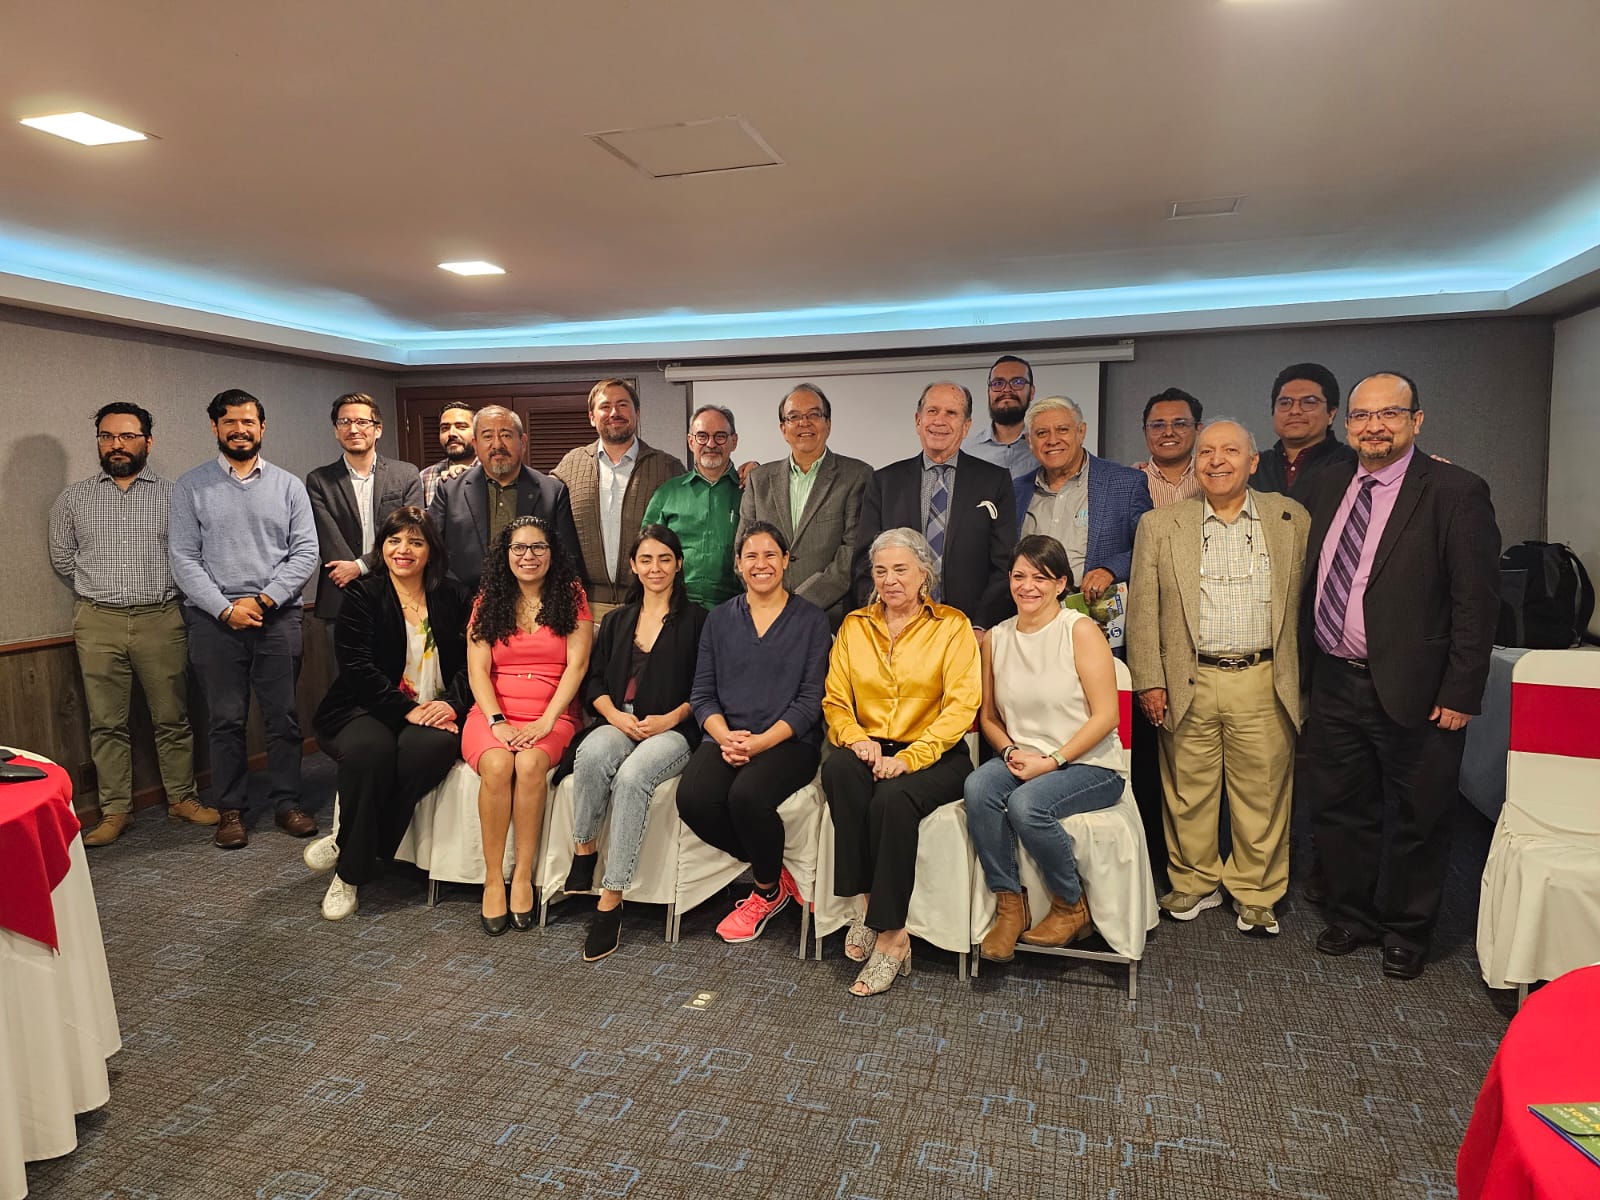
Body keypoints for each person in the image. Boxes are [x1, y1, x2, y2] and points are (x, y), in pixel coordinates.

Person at [1299, 372, 1499, 979]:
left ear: (1417, 420)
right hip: (1334, 679)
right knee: (1339, 807)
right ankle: (1351, 915)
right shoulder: (1325, 484)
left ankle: (1408, 930)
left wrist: (1462, 690)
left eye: (1389, 414)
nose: (1373, 426)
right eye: (1361, 416)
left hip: (1419, 686)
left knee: (1420, 814)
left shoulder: (1454, 490)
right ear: (1347, 424)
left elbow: (1477, 600)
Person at [1126, 420, 1310, 937]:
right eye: (1206, 451)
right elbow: (1142, 610)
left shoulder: (1290, 518)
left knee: (1264, 790)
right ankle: (1194, 879)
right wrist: (1149, 680)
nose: (1216, 460)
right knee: (1187, 788)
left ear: (1253, 462)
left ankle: (1256, 891)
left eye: (1231, 450)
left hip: (1264, 676)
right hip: (1190, 677)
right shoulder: (1161, 525)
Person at [823, 527, 981, 995]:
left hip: (936, 754)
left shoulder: (951, 625)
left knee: (890, 799)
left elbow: (961, 707)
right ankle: (873, 910)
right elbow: (835, 700)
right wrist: (855, 739)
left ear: (923, 574)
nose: (890, 580)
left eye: (900, 570)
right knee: (837, 771)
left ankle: (891, 937)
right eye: (881, 570)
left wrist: (912, 758)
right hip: (870, 745)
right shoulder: (855, 625)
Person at [49, 401, 210, 845]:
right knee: (106, 722)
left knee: (173, 717)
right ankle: (115, 810)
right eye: (107, 436)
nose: (116, 445)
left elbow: (192, 556)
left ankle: (182, 797)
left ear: (147, 442)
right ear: (98, 442)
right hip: (97, 621)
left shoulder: (176, 496)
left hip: (162, 618)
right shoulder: (74, 498)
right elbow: (63, 558)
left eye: (127, 436)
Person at [169, 388, 320, 850]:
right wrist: (225, 608)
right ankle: (231, 809)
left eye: (248, 422)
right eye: (230, 422)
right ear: (215, 428)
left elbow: (305, 552)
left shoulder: (289, 485)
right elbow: (183, 558)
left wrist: (264, 600)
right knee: (225, 720)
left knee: (284, 718)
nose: (240, 430)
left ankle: (287, 802)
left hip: (277, 619)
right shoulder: (190, 486)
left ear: (262, 428)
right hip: (214, 623)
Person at [966, 535, 1125, 962]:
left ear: (1061, 584)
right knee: (979, 788)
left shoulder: (1080, 630)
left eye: (1041, 577)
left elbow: (1107, 716)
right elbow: (989, 720)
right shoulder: (996, 638)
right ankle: (1009, 905)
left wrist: (1052, 761)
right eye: (1019, 576)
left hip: (1090, 762)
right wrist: (1008, 752)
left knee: (1026, 806)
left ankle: (1071, 905)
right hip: (1026, 753)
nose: (1028, 586)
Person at [307, 507, 470, 920]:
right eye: (395, 540)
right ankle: (350, 874)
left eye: (416, 541)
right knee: (369, 753)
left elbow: (475, 661)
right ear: (382, 547)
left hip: (436, 708)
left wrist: (450, 703)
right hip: (366, 706)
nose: (404, 549)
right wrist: (405, 710)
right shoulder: (364, 594)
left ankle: (347, 842)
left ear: (431, 550)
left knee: (427, 752)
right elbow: (357, 668)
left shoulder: (453, 596)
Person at [677, 521, 831, 944]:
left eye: (770, 555)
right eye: (751, 557)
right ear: (739, 566)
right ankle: (776, 870)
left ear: (785, 560)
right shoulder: (719, 619)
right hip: (725, 734)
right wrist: (725, 736)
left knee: (747, 796)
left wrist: (761, 742)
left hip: (788, 742)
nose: (761, 564)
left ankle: (763, 892)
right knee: (692, 798)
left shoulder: (812, 621)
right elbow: (703, 693)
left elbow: (809, 701)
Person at [562, 525, 707, 961]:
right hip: (620, 718)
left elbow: (705, 688)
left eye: (665, 558)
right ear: (633, 566)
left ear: (679, 564)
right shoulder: (618, 620)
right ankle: (583, 850)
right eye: (646, 559)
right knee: (592, 754)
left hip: (675, 728)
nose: (655, 567)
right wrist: (613, 716)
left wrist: (670, 718)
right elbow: (596, 680)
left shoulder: (699, 619)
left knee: (632, 776)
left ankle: (611, 896)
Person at [459, 516, 594, 935]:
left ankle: (523, 876)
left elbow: (578, 665)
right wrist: (497, 721)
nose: (528, 556)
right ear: (506, 554)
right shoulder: (489, 599)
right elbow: (477, 670)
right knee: (498, 765)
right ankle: (492, 878)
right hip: (493, 711)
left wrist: (547, 721)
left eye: (538, 547)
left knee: (531, 765)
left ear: (553, 554)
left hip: (552, 712)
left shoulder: (572, 596)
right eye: (519, 548)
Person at [852, 382, 1015, 628]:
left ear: (966, 426)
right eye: (932, 411)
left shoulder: (995, 481)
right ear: (918, 421)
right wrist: (883, 620)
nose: (940, 421)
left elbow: (1005, 565)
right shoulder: (884, 482)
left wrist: (981, 624)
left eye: (951, 413)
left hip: (969, 628)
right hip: (897, 626)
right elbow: (865, 561)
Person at [738, 383, 873, 625]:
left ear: (828, 424)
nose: (804, 423)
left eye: (814, 415)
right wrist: (770, 599)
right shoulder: (759, 480)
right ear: (783, 428)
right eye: (794, 417)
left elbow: (852, 553)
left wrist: (796, 604)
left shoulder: (856, 475)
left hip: (829, 617)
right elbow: (742, 550)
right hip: (764, 616)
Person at [552, 378, 684, 613]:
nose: (614, 412)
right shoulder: (570, 465)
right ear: (592, 417)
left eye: (623, 405)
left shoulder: (667, 468)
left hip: (648, 604)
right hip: (585, 607)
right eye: (605, 406)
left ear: (637, 413)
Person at [1013, 396, 1152, 608]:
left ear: (1081, 432)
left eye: (1062, 430)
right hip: (1030, 616)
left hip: (1094, 617)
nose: (1052, 440)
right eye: (1041, 433)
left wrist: (1110, 570)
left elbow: (1149, 549)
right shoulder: (1016, 491)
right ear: (1029, 441)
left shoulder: (1125, 483)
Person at [428, 405, 582, 593]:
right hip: (462, 607)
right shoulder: (449, 490)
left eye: (506, 435)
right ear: (476, 445)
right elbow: (433, 554)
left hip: (534, 607)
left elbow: (568, 560)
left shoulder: (553, 492)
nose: (497, 445)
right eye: (487, 436)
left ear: (523, 442)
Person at [305, 393, 423, 630]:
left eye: (362, 422)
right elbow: (328, 538)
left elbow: (410, 534)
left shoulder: (406, 474)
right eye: (344, 422)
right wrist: (351, 569)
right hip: (341, 593)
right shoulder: (319, 480)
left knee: (403, 666)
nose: (353, 429)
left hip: (397, 590)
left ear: (377, 429)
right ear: (336, 431)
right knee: (344, 668)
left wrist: (361, 566)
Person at [642, 405, 743, 609]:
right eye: (702, 436)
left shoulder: (750, 492)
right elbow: (646, 550)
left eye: (720, 436)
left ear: (734, 441)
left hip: (735, 609)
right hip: (676, 607)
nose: (711, 444)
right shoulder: (667, 493)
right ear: (691, 441)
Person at [1252, 363, 1356, 501]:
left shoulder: (1352, 463)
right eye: (1285, 403)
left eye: (1309, 402)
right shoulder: (1254, 466)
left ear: (1331, 414)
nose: (1295, 411)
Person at [960, 354, 1039, 482]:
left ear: (1032, 392)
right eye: (998, 383)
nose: (1007, 390)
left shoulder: (1044, 448)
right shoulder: (966, 451)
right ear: (989, 393)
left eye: (1017, 382)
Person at [1134, 388, 1203, 507]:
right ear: (1145, 431)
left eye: (1180, 424)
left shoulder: (1214, 477)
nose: (1168, 432)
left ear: (1198, 429)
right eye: (1158, 426)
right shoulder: (1130, 483)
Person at [419, 404, 477, 507]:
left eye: (461, 427)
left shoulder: (490, 472)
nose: (451, 433)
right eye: (445, 428)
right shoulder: (425, 476)